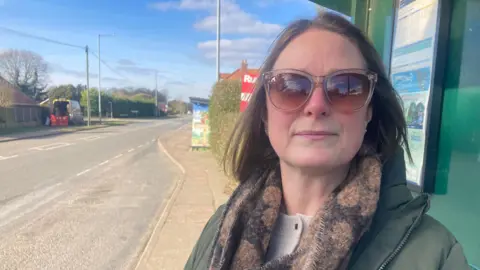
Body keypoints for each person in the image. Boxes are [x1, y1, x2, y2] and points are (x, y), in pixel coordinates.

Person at [185, 12, 470, 270]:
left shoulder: (436, 255)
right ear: (264, 115)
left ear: (370, 110)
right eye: (291, 86)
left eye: (346, 87)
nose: (317, 105)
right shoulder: (219, 228)